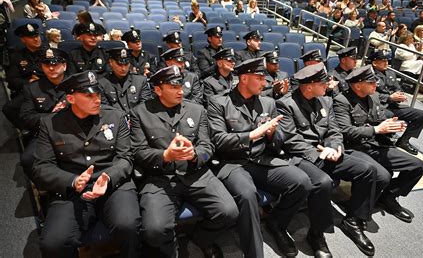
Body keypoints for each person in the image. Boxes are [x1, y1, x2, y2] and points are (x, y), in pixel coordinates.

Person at [277, 63, 389, 257]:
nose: (328, 85)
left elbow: (334, 130)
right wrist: (318, 153)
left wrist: (335, 146)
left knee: (367, 170)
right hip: (302, 156)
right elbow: (290, 140)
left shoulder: (326, 101)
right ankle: (316, 234)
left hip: (328, 151)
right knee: (323, 182)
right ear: (310, 85)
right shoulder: (286, 104)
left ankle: (352, 220)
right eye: (323, 82)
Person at [129, 65, 238, 258]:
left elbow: (208, 146)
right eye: (173, 87)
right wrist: (165, 156)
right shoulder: (140, 113)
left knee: (228, 212)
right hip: (159, 177)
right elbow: (138, 152)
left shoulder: (197, 110)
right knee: (154, 231)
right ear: (158, 90)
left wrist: (195, 155)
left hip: (196, 173)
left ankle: (200, 239)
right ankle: (171, 250)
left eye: (181, 86)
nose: (181, 91)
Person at [207, 58, 311, 257]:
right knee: (248, 196)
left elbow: (278, 140)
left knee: (302, 182)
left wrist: (272, 134)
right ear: (244, 78)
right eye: (260, 78)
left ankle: (277, 223)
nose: (265, 83)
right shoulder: (219, 102)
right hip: (232, 163)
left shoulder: (268, 102)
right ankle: (254, 253)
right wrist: (252, 135)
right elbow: (218, 140)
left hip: (261, 159)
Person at [31, 71, 142, 258]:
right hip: (73, 189)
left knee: (128, 225)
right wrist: (73, 181)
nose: (97, 99)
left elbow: (126, 157)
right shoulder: (50, 124)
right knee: (53, 243)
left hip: (113, 184)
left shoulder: (115, 116)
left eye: (97, 94)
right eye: (89, 95)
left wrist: (108, 177)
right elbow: (41, 167)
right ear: (70, 98)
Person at [333, 65, 423, 224]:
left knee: (417, 166)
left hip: (377, 145)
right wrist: (377, 129)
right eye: (371, 82)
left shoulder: (374, 96)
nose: (376, 85)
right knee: (382, 175)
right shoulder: (341, 101)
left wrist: (391, 126)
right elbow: (346, 131)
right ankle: (355, 216)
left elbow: (378, 119)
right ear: (357, 85)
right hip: (355, 147)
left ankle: (387, 196)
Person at [19, 48, 69, 179]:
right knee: (28, 159)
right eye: (47, 64)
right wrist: (54, 117)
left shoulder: (76, 84)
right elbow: (26, 117)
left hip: (74, 131)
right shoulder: (32, 88)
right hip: (45, 134)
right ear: (42, 66)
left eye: (55, 64)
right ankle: (43, 187)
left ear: (64, 66)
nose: (51, 68)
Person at [370, 50, 423, 155]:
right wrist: (389, 97)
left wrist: (400, 95)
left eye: (387, 60)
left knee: (421, 115)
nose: (386, 63)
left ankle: (404, 141)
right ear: (374, 63)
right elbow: (369, 93)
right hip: (377, 106)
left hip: (393, 105)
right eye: (383, 61)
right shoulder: (369, 74)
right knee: (389, 115)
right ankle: (383, 140)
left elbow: (398, 88)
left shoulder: (390, 72)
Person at [3, 23, 45, 130]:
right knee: (8, 109)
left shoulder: (48, 52)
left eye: (37, 35)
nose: (36, 39)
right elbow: (12, 80)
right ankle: (27, 129)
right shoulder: (17, 57)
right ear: (23, 40)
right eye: (31, 37)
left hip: (48, 86)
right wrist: (28, 82)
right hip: (29, 90)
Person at [98, 48, 152, 113]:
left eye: (126, 64)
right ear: (111, 62)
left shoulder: (141, 81)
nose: (123, 68)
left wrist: (134, 119)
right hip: (115, 121)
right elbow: (105, 110)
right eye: (119, 64)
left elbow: (145, 106)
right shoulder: (102, 84)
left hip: (138, 120)